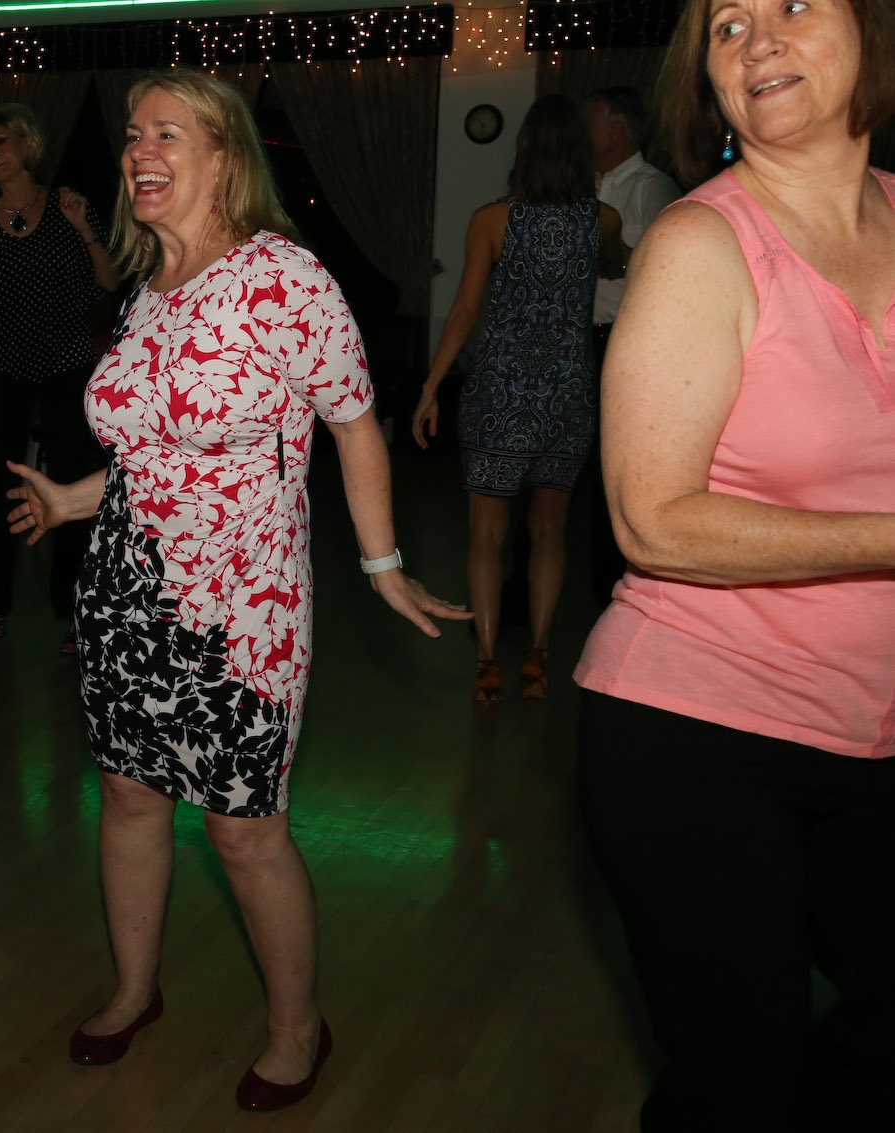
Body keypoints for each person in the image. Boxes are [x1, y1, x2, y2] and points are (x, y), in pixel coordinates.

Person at [4, 72, 469, 1112]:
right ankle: (134, 990)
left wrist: (382, 564)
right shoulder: (143, 289)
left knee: (242, 827)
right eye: (133, 133)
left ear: (224, 157)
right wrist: (72, 499)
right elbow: (152, 451)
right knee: (128, 794)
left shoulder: (281, 279)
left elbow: (353, 421)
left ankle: (297, 1026)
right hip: (123, 589)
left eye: (168, 133)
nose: (139, 150)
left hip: (242, 610)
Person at [574, 0, 895, 1128]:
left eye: (793, 4)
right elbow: (651, 521)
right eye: (725, 26)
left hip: (876, 729)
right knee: (738, 1081)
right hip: (701, 736)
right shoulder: (698, 244)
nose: (756, 40)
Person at [411, 95, 624, 701]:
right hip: (568, 392)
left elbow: (464, 311)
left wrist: (430, 388)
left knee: (485, 534)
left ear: (524, 150)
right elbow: (616, 266)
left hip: (500, 391)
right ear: (581, 154)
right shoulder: (603, 220)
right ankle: (539, 655)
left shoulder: (491, 220)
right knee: (550, 531)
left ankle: (486, 664)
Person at [0, 103, 118, 652]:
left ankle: (75, 609)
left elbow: (110, 282)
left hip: (66, 362)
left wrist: (83, 228)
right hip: (2, 364)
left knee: (73, 482)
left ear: (27, 145)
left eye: (1, 142)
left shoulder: (68, 204)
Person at [584, 87, 680, 603]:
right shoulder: (583, 183)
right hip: (577, 341)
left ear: (618, 126)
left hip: (621, 343)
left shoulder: (652, 187)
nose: (584, 132)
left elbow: (662, 270)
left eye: (592, 121)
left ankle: (614, 591)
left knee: (614, 473)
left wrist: (612, 252)